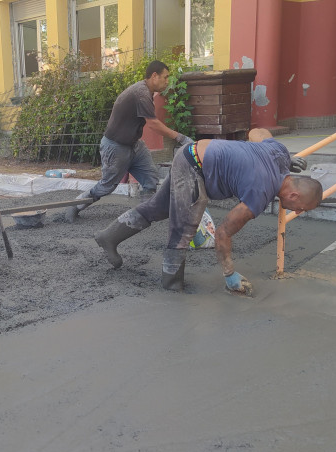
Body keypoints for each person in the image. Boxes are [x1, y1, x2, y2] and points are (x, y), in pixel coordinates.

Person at [94, 128, 322, 296]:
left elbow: (258, 132)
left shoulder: (279, 152)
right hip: (194, 167)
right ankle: (172, 286)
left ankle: (108, 237)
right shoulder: (259, 193)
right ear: (294, 195)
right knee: (185, 227)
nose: (298, 212)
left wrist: (286, 160)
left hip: (192, 153)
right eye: (301, 208)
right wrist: (230, 274)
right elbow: (223, 232)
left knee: (158, 208)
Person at [65, 60, 194, 222]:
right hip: (115, 146)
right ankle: (75, 205)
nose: (167, 82)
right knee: (107, 186)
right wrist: (180, 137)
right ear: (154, 76)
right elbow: (153, 123)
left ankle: (144, 215)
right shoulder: (141, 93)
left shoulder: (145, 91)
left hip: (134, 145)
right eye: (165, 77)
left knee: (150, 180)